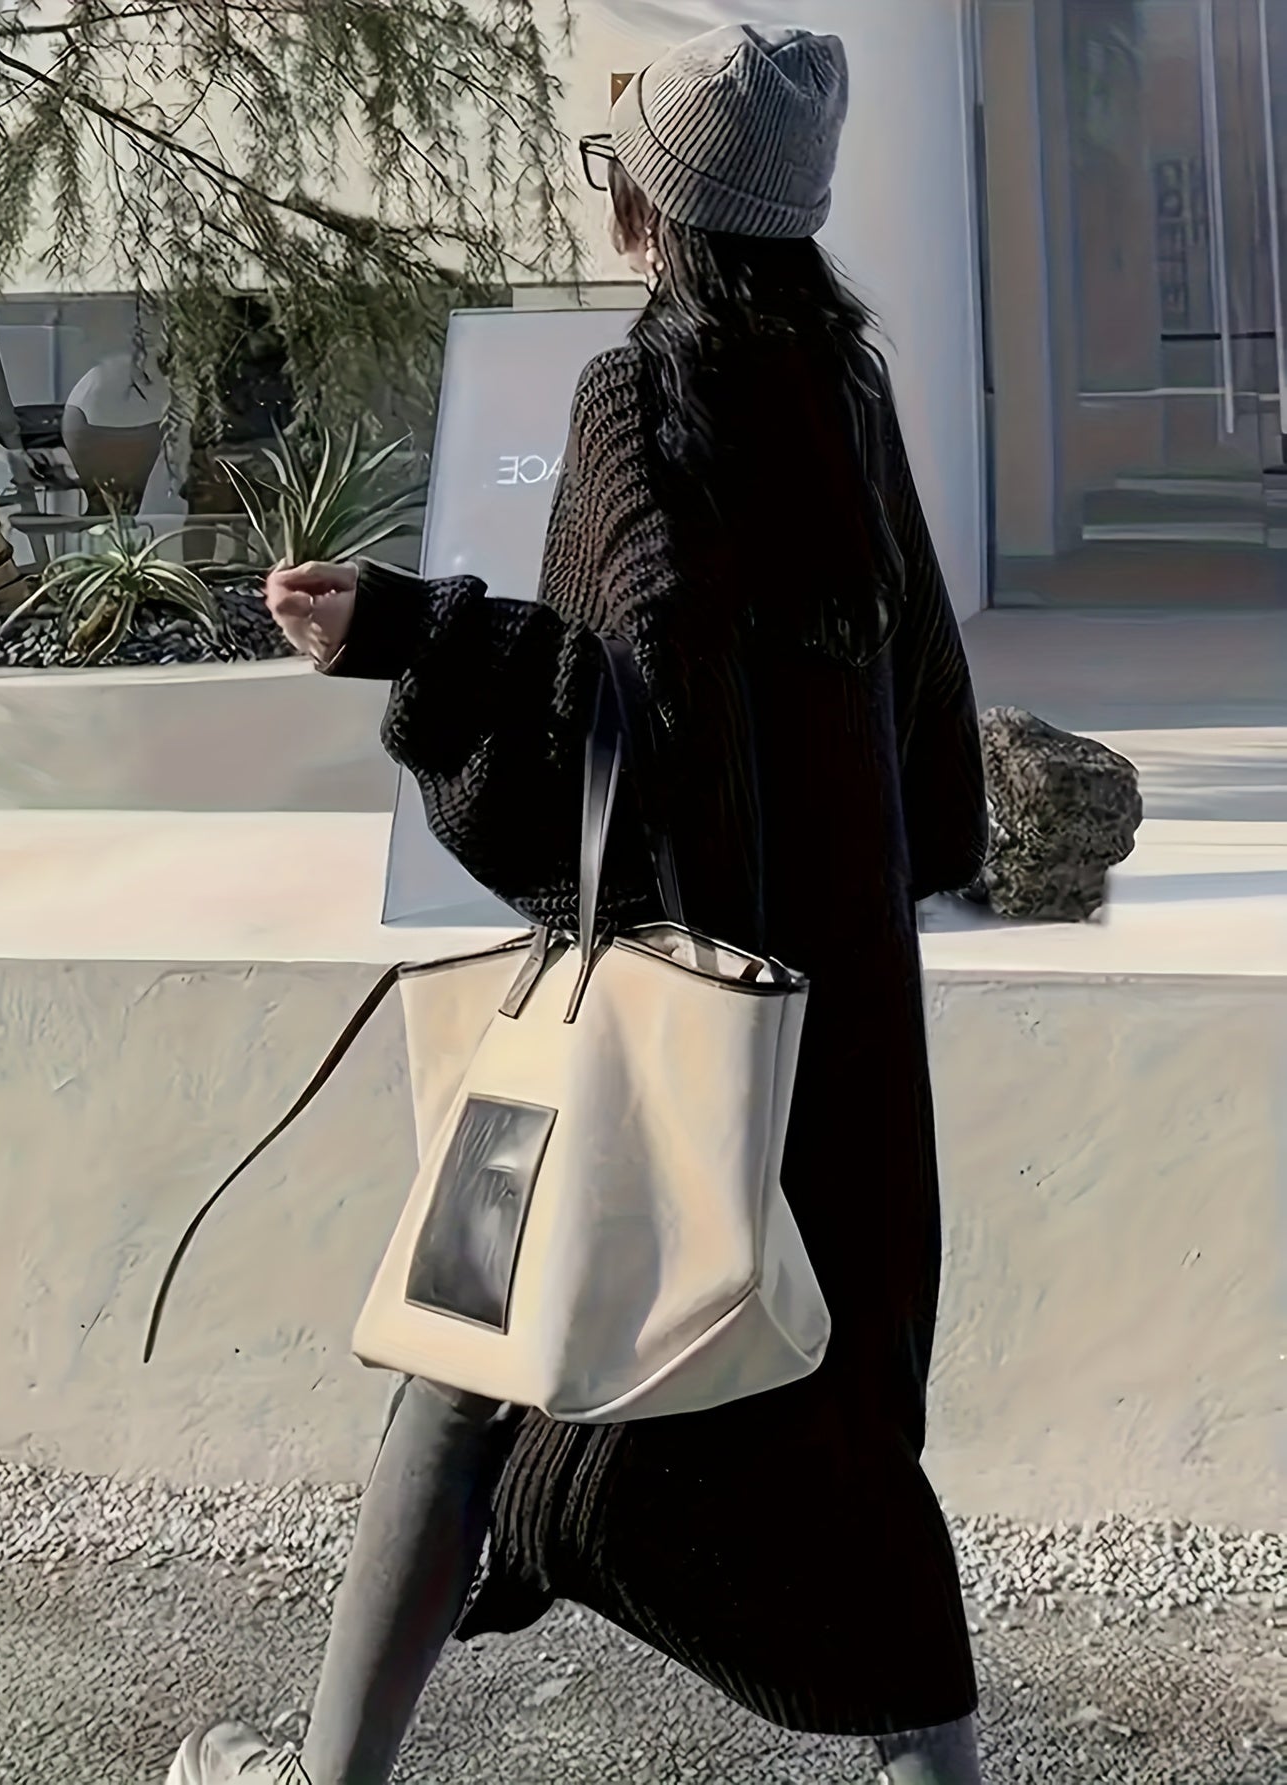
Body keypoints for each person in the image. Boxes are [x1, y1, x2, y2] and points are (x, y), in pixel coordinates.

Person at [166, 24, 989, 1785]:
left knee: (471, 1363)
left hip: (685, 1015)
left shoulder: (642, 398)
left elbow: (622, 707)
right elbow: (918, 699)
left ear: (649, 212)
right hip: (840, 1028)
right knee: (844, 1432)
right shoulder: (851, 390)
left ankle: (323, 1782)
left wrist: (401, 632)